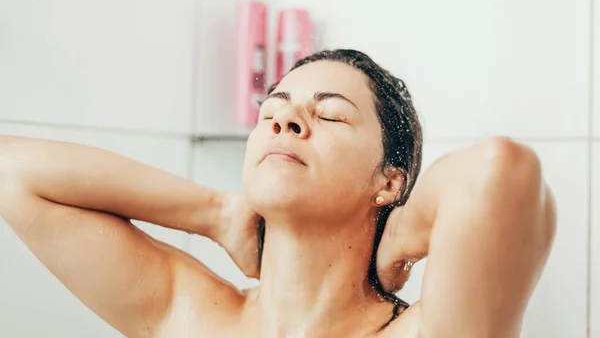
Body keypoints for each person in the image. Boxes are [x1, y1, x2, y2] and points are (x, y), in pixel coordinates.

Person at [0, 49, 556, 338]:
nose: (286, 119)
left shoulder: (432, 330)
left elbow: (501, 172)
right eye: (274, 109)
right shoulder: (190, 315)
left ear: (389, 182)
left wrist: (402, 241)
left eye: (331, 114)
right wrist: (214, 213)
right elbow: (12, 170)